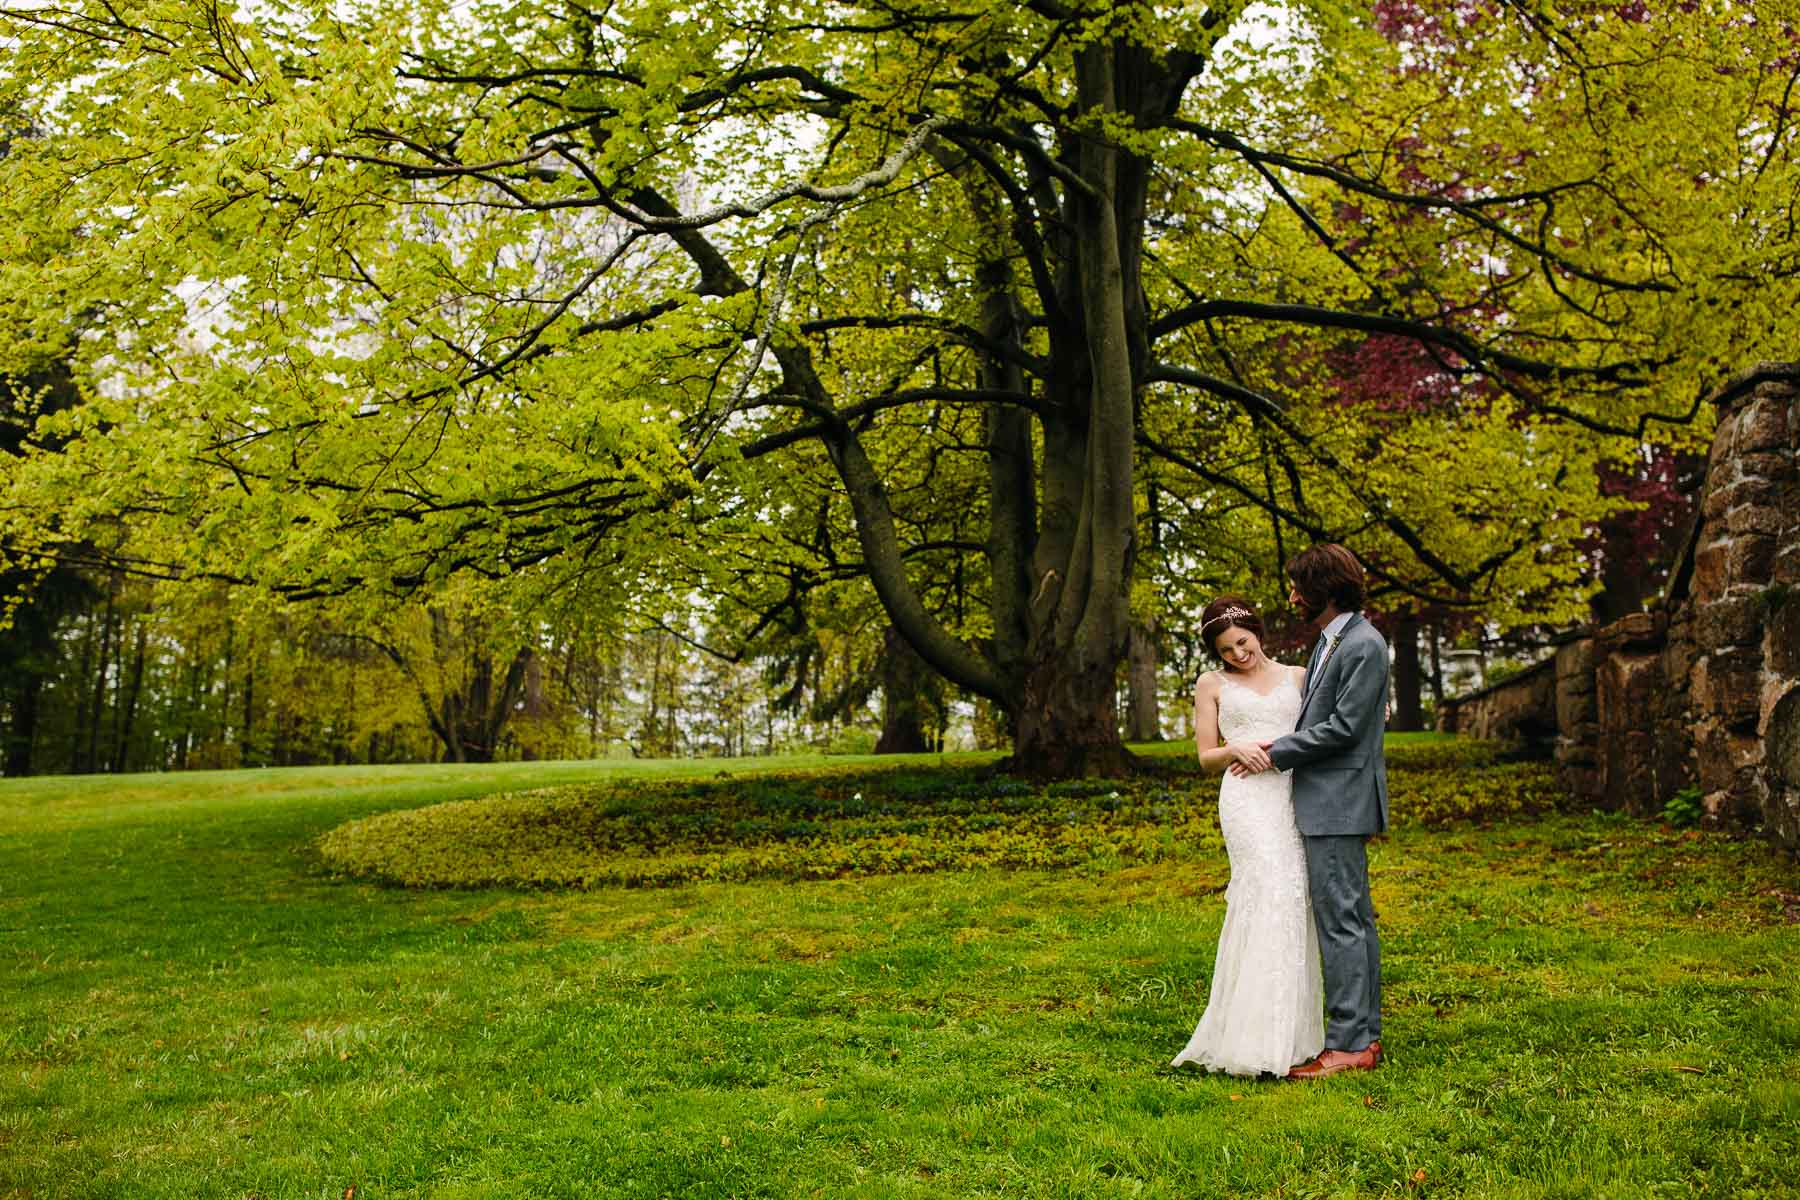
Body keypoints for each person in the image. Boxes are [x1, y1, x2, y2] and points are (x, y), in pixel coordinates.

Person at [1171, 596, 1323, 1077]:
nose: (1239, 654)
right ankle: (1247, 1035)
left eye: (1243, 641)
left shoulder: (1299, 676)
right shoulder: (1211, 684)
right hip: (1245, 802)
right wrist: (1232, 746)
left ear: (1257, 631)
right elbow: (1204, 756)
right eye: (1227, 649)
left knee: (1294, 897)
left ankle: (1293, 1034)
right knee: (1263, 894)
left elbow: (1335, 717)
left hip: (1291, 796)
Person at [1254, 543, 1389, 1080]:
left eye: (1298, 587)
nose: (1291, 596)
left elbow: (1345, 729)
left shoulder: (1362, 645)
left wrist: (1273, 752)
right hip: (1331, 800)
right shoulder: (1334, 642)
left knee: (1342, 923)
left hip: (1339, 802)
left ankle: (1352, 1043)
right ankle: (1363, 1034)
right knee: (1350, 919)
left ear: (1325, 590)